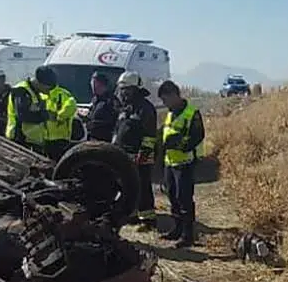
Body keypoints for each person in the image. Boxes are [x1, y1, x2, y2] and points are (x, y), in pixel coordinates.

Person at [157, 79, 205, 247]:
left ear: (174, 95)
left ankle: (187, 235)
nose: (164, 103)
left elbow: (197, 136)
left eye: (165, 99)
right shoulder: (170, 113)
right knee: (172, 196)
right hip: (170, 162)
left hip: (185, 162)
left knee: (184, 198)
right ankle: (176, 229)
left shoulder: (192, 113)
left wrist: (178, 144)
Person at [112, 71, 158, 228]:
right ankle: (132, 214)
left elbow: (150, 134)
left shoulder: (146, 108)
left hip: (142, 154)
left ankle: (148, 219)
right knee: (127, 185)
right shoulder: (126, 107)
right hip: (124, 154)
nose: (123, 93)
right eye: (122, 90)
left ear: (135, 89)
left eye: (126, 90)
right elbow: (119, 130)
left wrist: (143, 154)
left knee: (143, 185)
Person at [6, 66, 57, 155]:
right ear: (39, 82)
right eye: (48, 88)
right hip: (20, 141)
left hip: (33, 142)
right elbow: (22, 115)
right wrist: (46, 115)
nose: (48, 92)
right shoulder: (21, 91)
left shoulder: (35, 92)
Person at [85, 71, 119, 143]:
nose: (93, 86)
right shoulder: (95, 100)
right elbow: (91, 115)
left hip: (104, 140)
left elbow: (113, 121)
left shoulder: (111, 101)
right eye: (92, 83)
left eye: (96, 83)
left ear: (103, 85)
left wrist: (93, 125)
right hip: (90, 138)